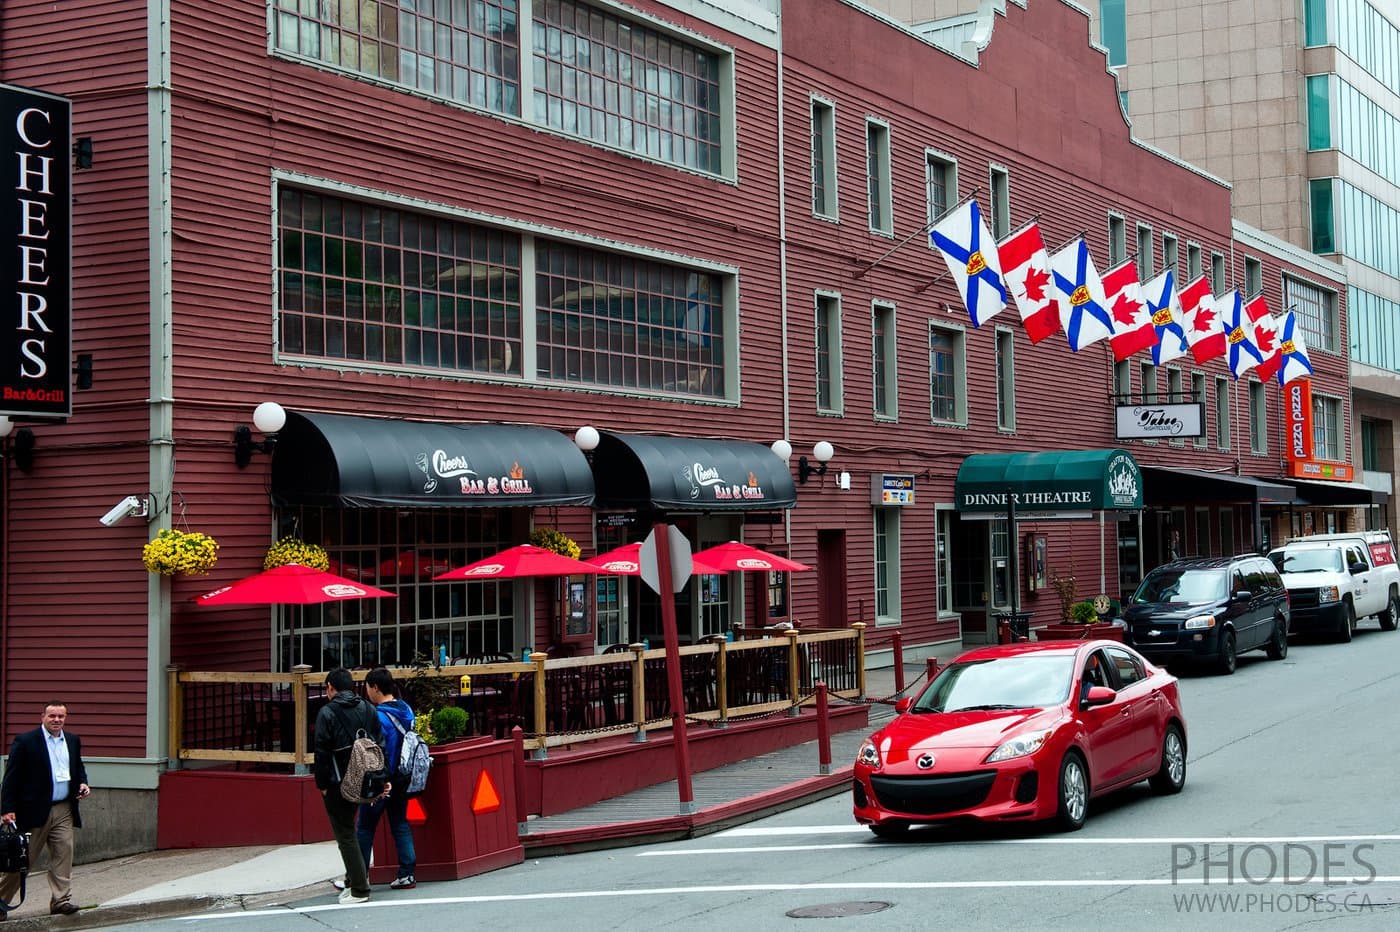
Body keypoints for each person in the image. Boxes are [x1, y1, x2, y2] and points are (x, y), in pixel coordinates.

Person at [0, 701, 90, 919]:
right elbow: (11, 777)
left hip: (64, 808)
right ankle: (1, 902)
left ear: (66, 718)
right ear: (43, 717)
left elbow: (77, 767)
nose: (57, 720)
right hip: (33, 811)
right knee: (23, 860)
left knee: (63, 855)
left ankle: (61, 900)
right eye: (52, 716)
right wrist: (7, 809)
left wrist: (83, 783)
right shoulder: (26, 742)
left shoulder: (72, 740)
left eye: (61, 716)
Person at [314, 668, 385, 906]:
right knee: (352, 830)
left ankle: (359, 888)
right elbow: (379, 743)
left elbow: (322, 752)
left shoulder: (327, 713)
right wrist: (380, 776)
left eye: (327, 688)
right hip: (367, 779)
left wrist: (322, 784)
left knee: (345, 834)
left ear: (332, 688)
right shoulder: (368, 708)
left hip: (338, 782)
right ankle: (353, 880)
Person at [354, 667, 417, 890]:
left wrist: (378, 780)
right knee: (399, 823)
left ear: (375, 687)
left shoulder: (379, 716)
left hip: (383, 780)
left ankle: (357, 876)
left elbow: (380, 750)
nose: (367, 692)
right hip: (403, 777)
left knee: (364, 828)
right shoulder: (406, 709)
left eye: (368, 687)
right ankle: (407, 873)